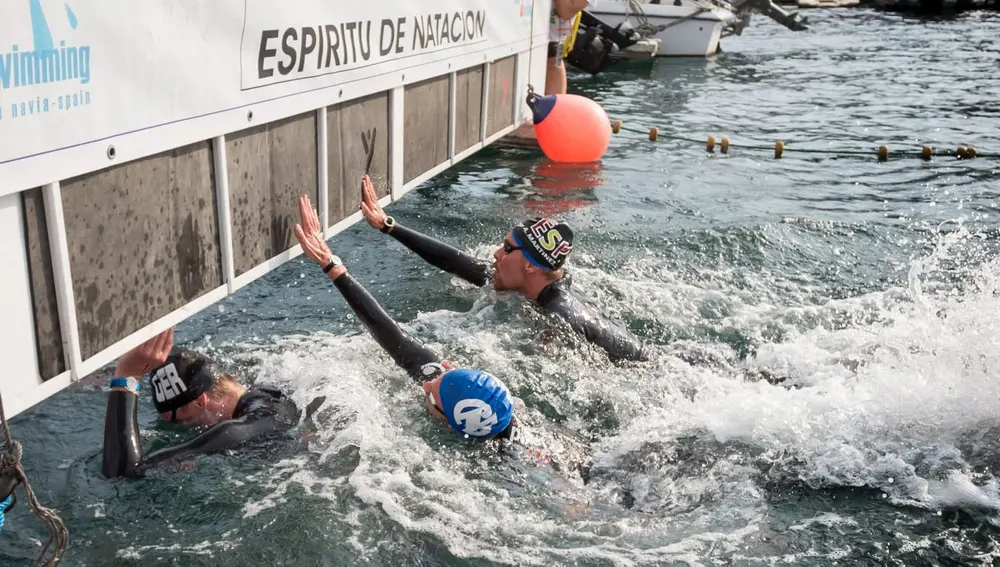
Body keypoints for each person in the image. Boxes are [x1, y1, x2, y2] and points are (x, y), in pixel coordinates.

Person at [293, 194, 518, 443]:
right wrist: (331, 264)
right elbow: (396, 340)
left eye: (433, 392)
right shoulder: (469, 403)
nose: (427, 384)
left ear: (448, 421)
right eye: (446, 373)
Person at [358, 175, 646, 363]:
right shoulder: (538, 282)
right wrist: (388, 226)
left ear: (532, 266)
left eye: (507, 248)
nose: (496, 254)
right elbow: (459, 263)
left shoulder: (559, 318)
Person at [101, 328, 316, 478]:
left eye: (178, 421)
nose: (182, 428)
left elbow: (126, 473)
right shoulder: (263, 386)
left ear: (200, 402)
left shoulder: (235, 430)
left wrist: (126, 376)